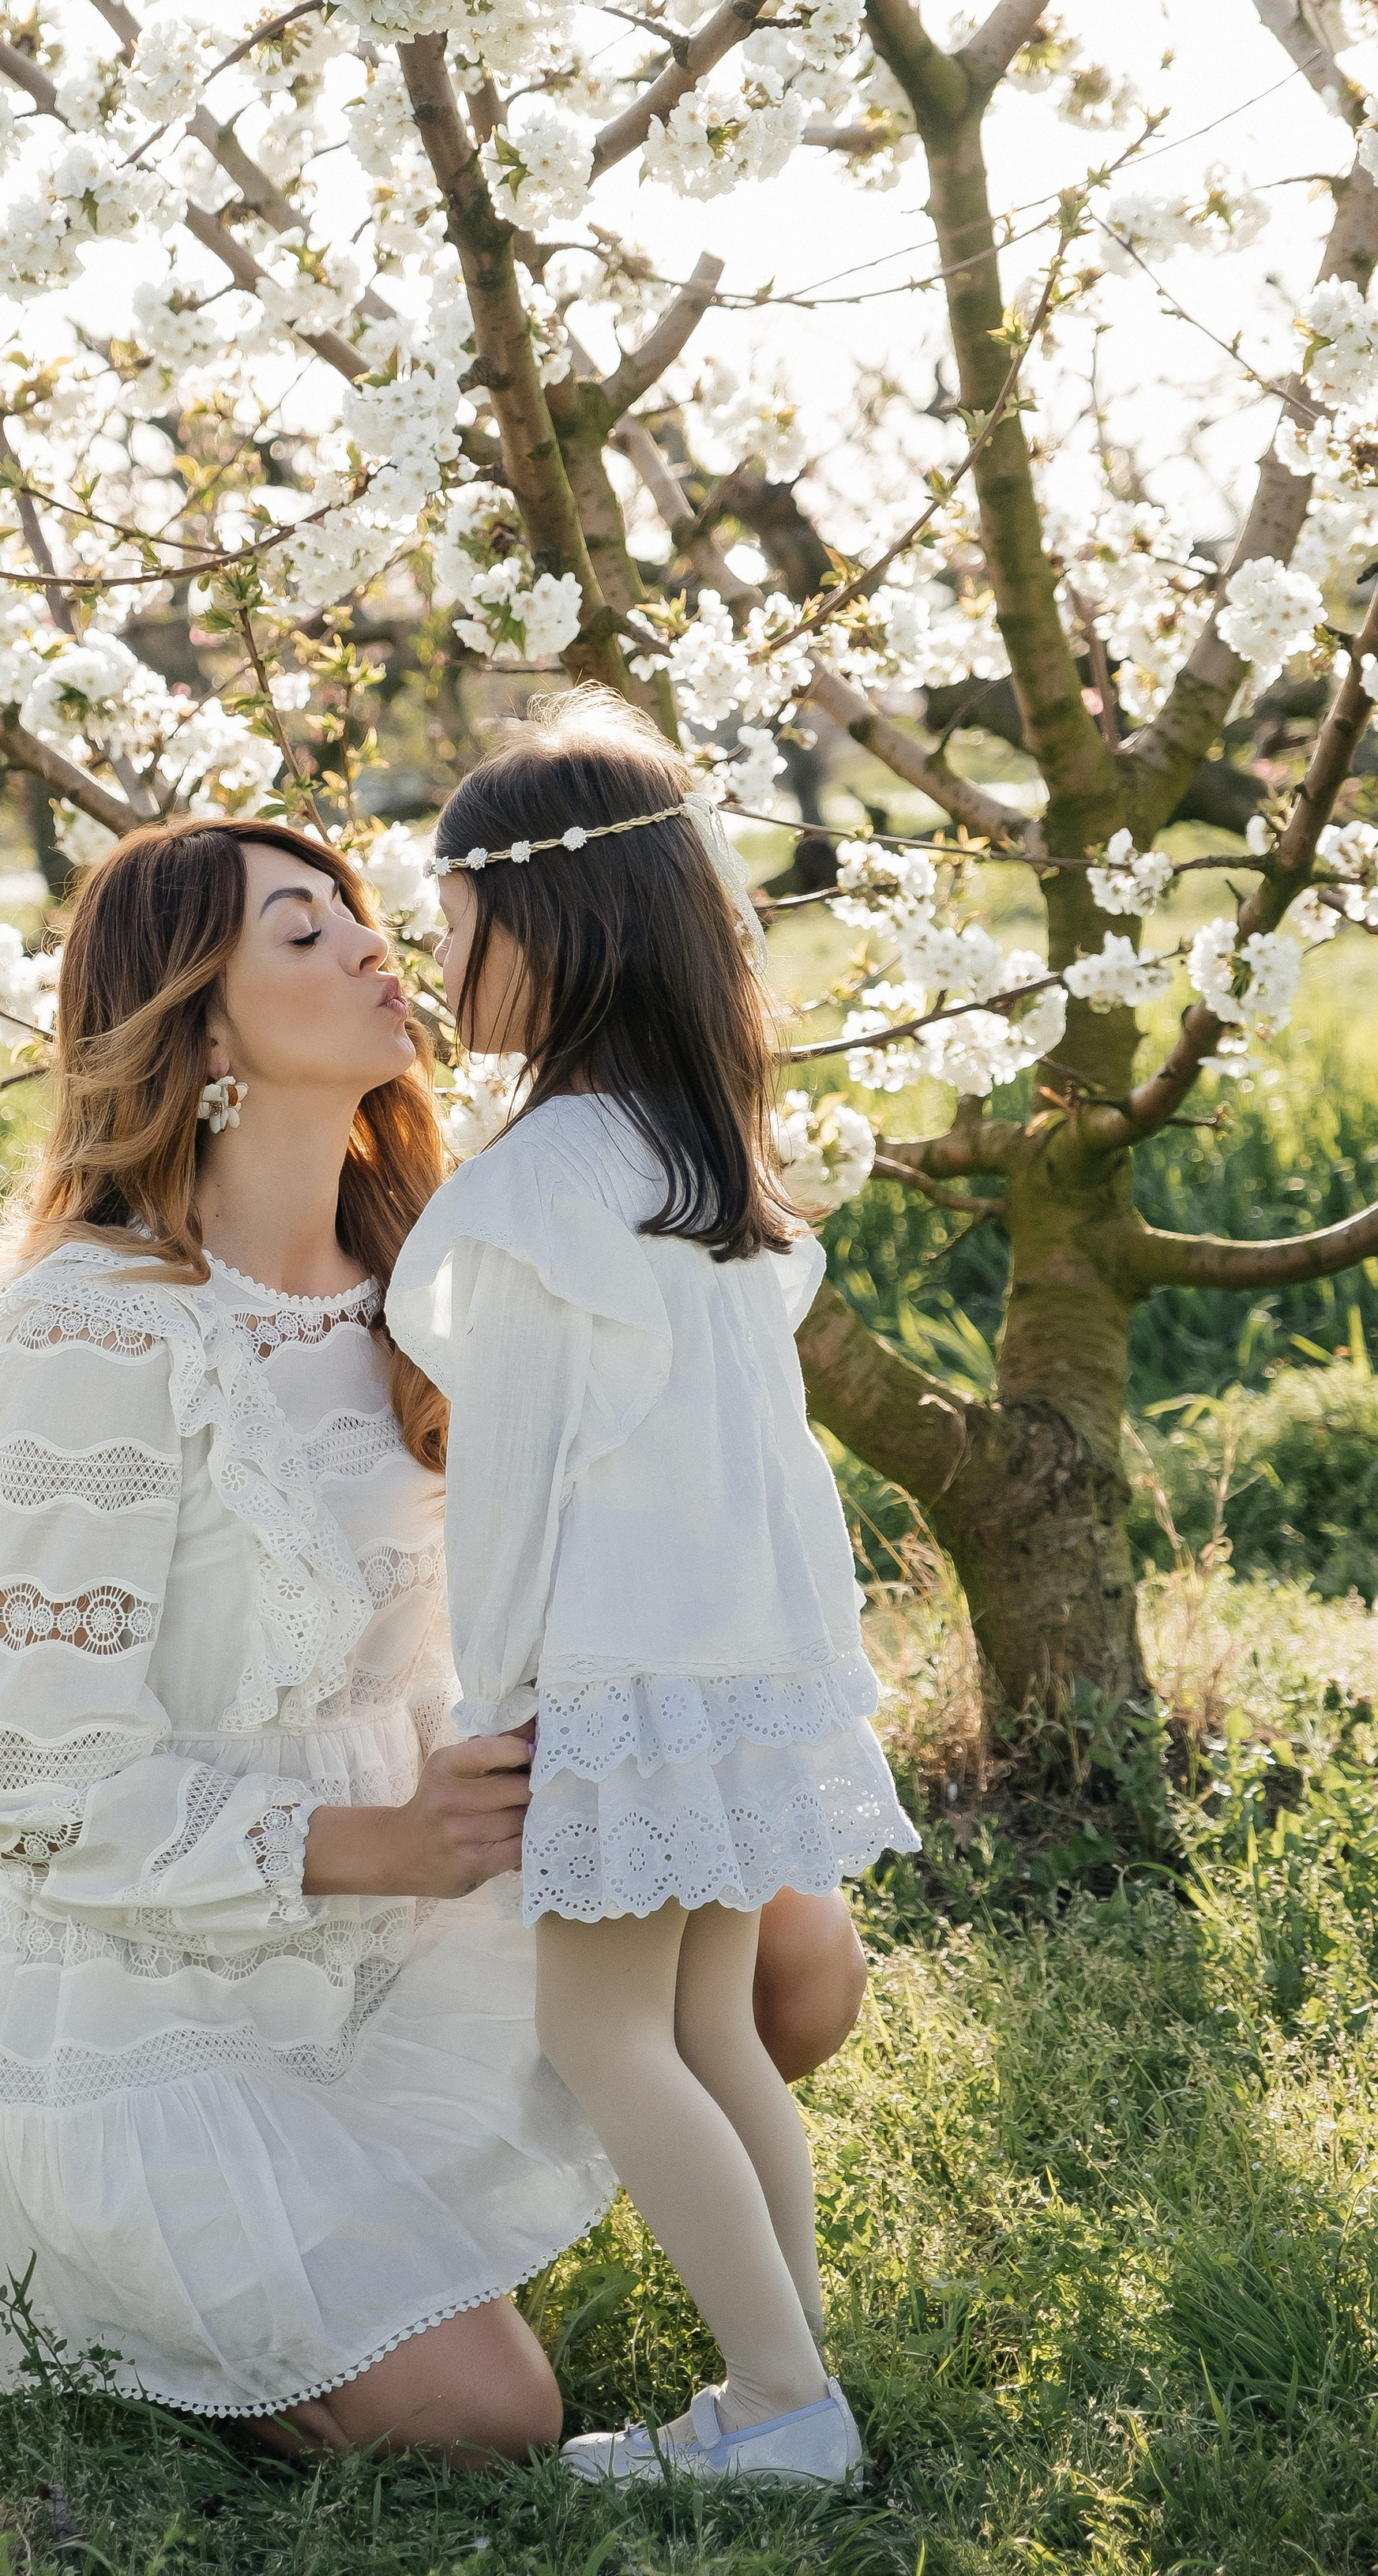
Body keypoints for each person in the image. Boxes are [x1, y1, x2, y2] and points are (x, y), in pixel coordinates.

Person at [0, 813, 870, 2463]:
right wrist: (388, 1842)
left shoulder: (432, 1265)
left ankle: (542, 2266)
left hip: (416, 1873)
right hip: (166, 1980)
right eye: (300, 934)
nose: (376, 947)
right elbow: (38, 1793)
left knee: (788, 1948)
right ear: (199, 1026)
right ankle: (155, 2296)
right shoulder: (95, 1333)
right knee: (485, 2422)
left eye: (364, 916)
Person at [387, 694, 919, 2489]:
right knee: (701, 2028)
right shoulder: (711, 1182)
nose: (435, 960)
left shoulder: (535, 1189)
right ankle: (789, 2384)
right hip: (736, 1655)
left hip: (606, 1673)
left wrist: (504, 1696)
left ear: (552, 930)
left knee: (600, 2030)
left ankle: (782, 2403)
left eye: (453, 924)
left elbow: (519, 1490)